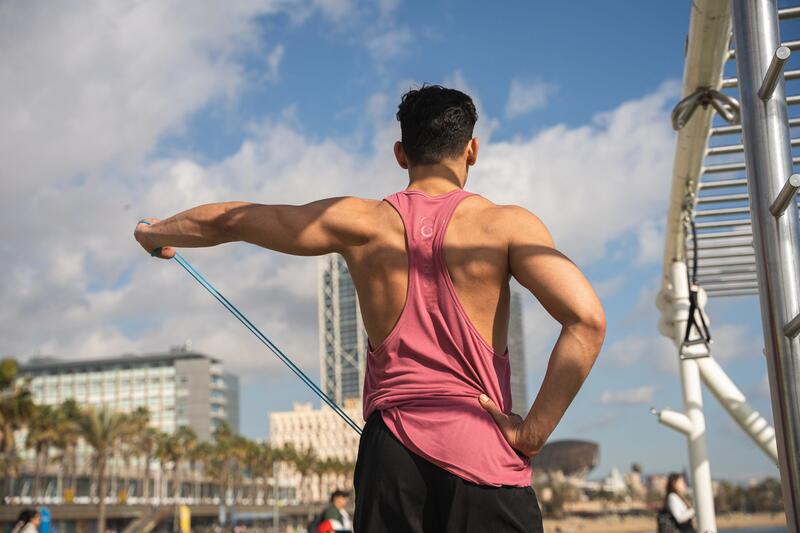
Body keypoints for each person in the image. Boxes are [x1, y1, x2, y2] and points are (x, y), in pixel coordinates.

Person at [134, 84, 606, 532]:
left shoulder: (359, 222)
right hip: (481, 448)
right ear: (472, 151)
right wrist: (532, 434)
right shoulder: (507, 226)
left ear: (401, 154)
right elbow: (586, 321)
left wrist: (156, 233)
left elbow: (236, 219)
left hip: (391, 458)